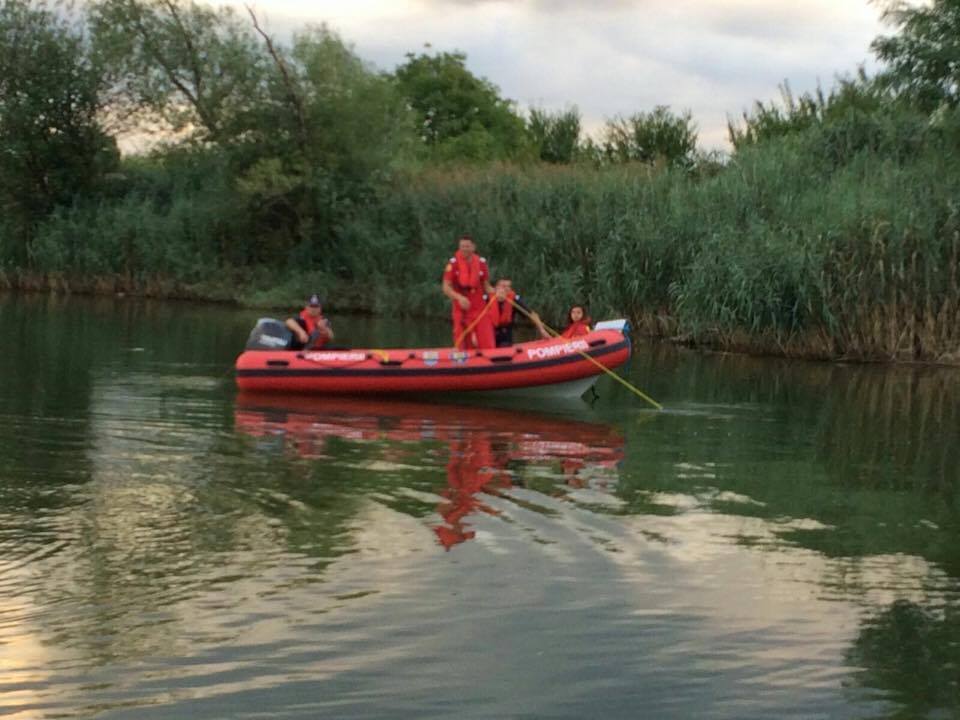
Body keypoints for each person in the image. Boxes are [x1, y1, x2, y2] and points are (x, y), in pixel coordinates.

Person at [442, 234, 496, 349]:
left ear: (473, 247)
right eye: (462, 246)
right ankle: (462, 363)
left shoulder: (481, 263)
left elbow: (487, 286)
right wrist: (459, 297)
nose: (464, 249)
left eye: (467, 246)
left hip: (479, 309)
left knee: (487, 340)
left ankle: (488, 361)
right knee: (462, 343)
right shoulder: (453, 264)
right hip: (461, 309)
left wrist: (497, 292)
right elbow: (446, 287)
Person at [492, 278, 549, 347]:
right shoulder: (487, 299)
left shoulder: (514, 300)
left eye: (509, 286)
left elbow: (532, 314)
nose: (507, 289)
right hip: (489, 336)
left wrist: (542, 331)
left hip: (505, 338)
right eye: (503, 286)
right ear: (495, 288)